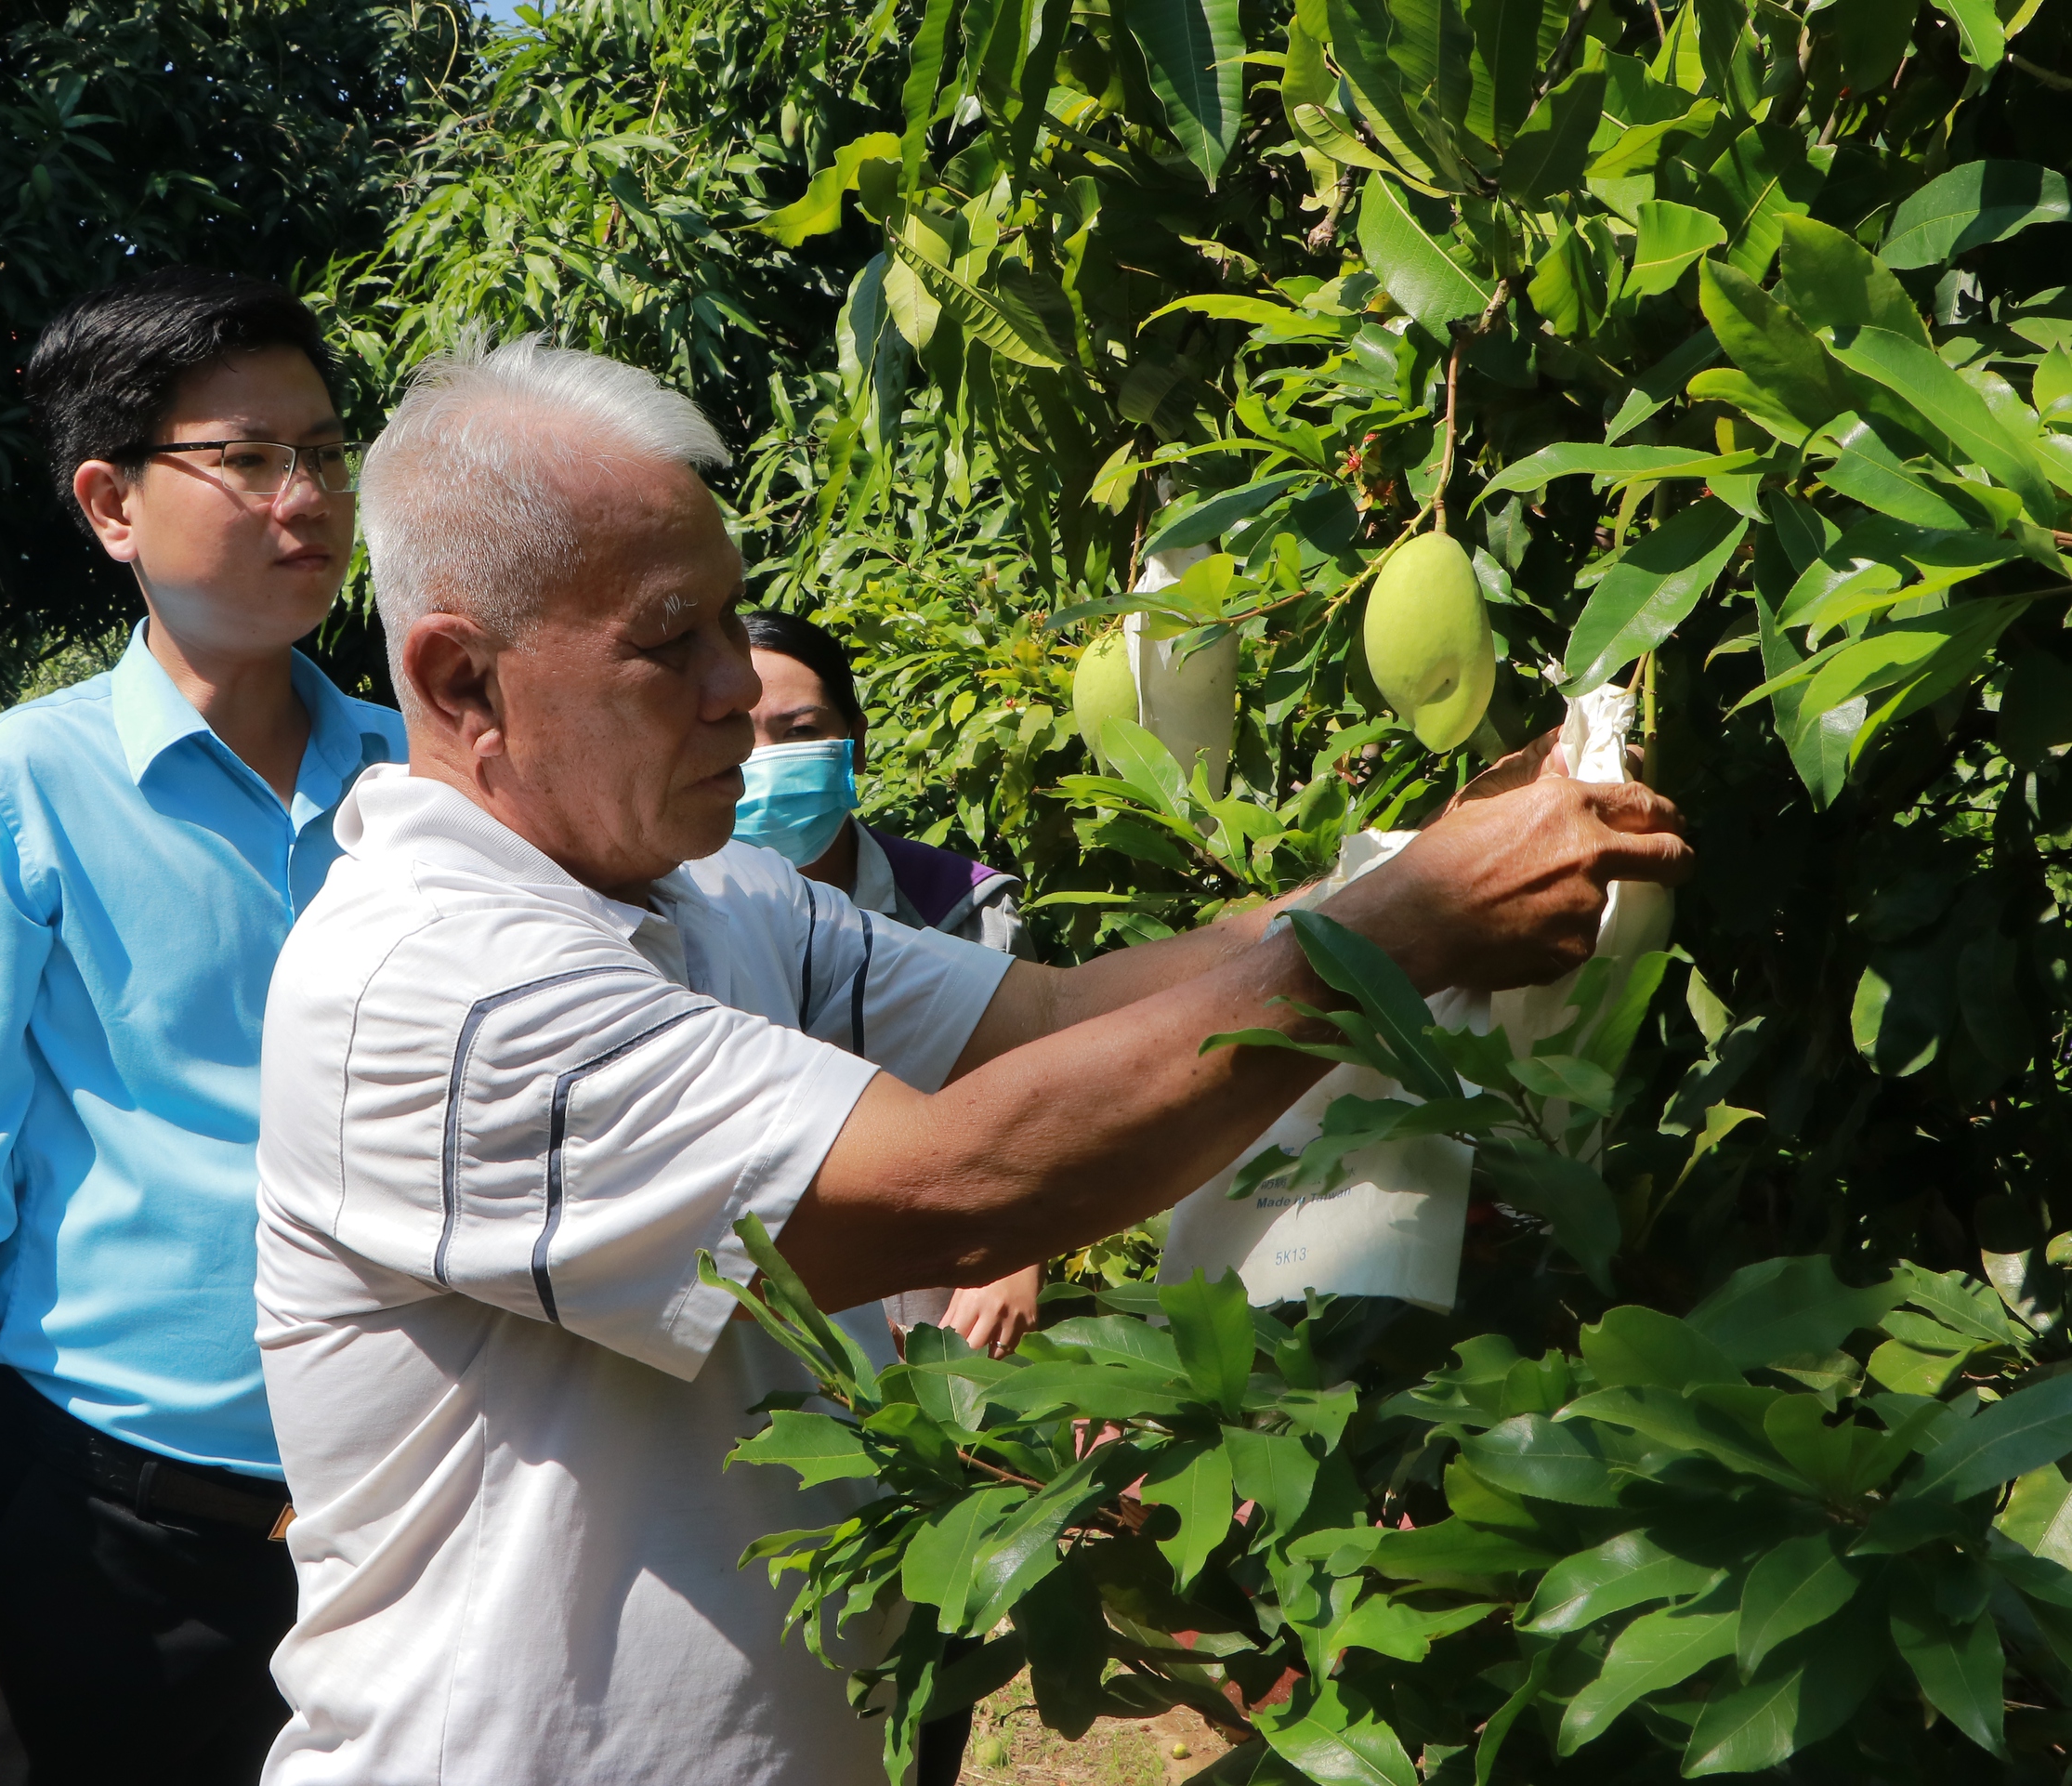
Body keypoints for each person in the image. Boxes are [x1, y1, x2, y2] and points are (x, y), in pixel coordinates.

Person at [250, 338, 1691, 1786]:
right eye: (669, 638)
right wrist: (1403, 929)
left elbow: (1059, 1019)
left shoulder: (719, 899)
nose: (737, 691)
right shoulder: (444, 981)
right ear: (461, 680)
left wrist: (1404, 873)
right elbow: (958, 1184)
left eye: (731, 625)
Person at [0, 267, 404, 1786]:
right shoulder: (9, 794)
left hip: (406, 1530)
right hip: (106, 1535)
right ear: (112, 504)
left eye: (329, 450)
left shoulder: (432, 789)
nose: (308, 496)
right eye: (250, 456)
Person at [738, 607, 1043, 1360]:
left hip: (953, 1325)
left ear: (855, 744)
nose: (766, 758)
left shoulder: (963, 909)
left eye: (799, 730)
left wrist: (1020, 1252)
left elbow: (1034, 1098)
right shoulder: (663, 918)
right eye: (738, 734)